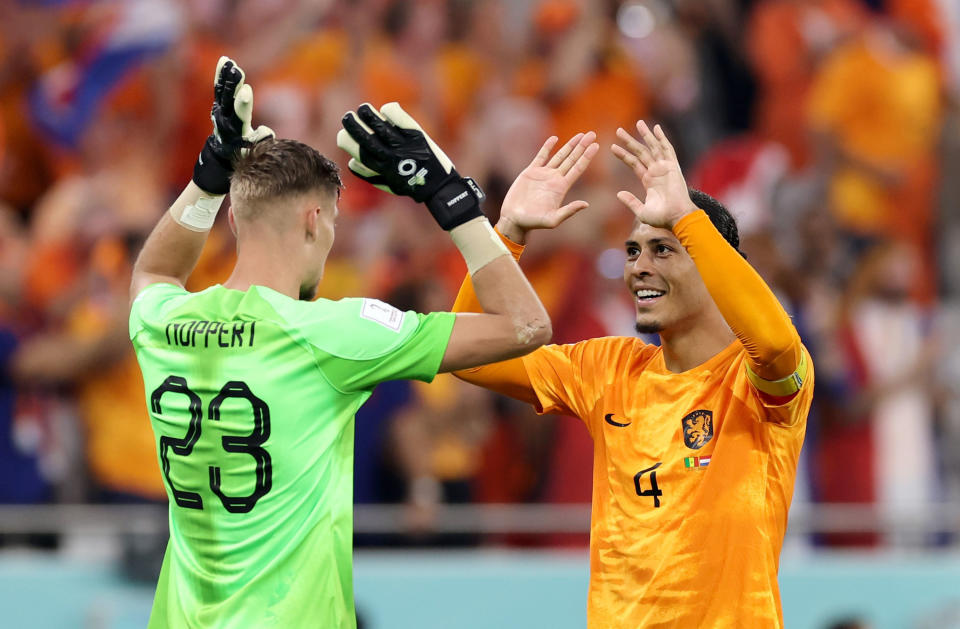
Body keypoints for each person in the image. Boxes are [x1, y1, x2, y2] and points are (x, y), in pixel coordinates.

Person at [129, 57, 580, 628]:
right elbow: (525, 326)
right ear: (314, 221)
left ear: (237, 223)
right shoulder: (332, 333)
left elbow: (154, 274)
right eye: (335, 224)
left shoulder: (165, 323)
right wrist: (450, 196)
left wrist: (210, 173)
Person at [439, 122, 814, 627]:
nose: (638, 266)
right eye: (634, 250)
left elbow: (773, 341)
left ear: (716, 265)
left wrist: (686, 215)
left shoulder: (757, 380)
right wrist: (506, 235)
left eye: (664, 249)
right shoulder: (608, 369)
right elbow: (474, 353)